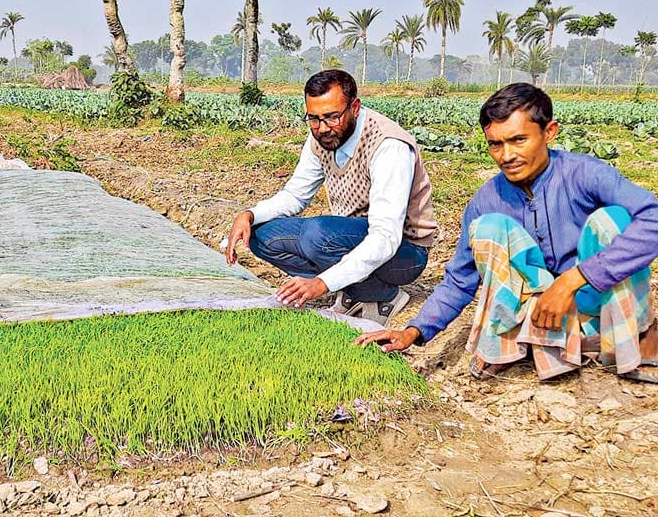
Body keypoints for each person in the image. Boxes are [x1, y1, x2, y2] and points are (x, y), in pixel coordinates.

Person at [356, 83, 658, 381]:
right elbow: (459, 280)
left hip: (596, 303)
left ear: (549, 132)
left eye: (518, 140)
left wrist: (572, 280)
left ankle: (634, 341)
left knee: (614, 219)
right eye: (495, 144)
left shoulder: (584, 173)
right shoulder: (487, 200)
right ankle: (516, 345)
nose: (506, 155)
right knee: (489, 229)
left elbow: (653, 219)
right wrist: (414, 331)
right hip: (543, 319)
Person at [225, 69, 438, 324]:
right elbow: (295, 195)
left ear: (355, 108)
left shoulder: (389, 146)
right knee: (260, 235)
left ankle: (384, 296)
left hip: (404, 252)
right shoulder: (323, 138)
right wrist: (249, 215)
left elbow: (385, 237)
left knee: (318, 235)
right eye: (313, 119)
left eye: (332, 117)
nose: (323, 128)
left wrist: (322, 283)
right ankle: (352, 289)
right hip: (348, 237)